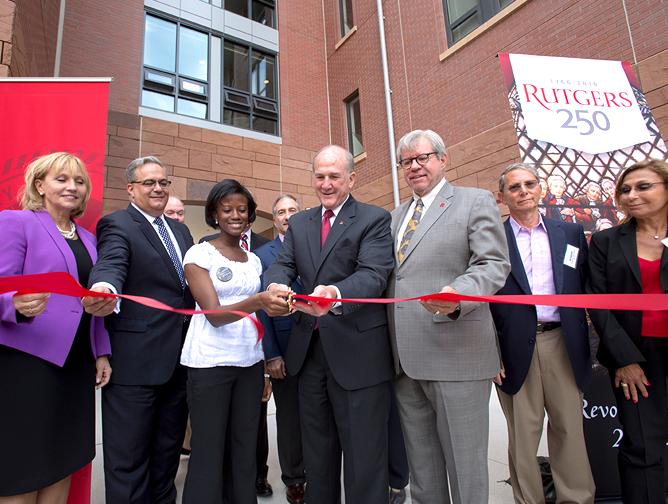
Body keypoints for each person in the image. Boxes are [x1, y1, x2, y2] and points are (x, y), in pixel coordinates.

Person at [265, 145, 395, 504]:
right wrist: (275, 283)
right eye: (319, 176)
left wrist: (334, 294)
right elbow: (283, 264)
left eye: (334, 176)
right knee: (317, 456)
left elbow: (374, 275)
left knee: (363, 458)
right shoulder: (302, 221)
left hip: (358, 354)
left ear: (351, 178)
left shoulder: (373, 218)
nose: (326, 184)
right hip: (308, 355)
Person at [387, 130, 510, 504]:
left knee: (466, 469)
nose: (415, 167)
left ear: (443, 159)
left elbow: (493, 264)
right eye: (407, 162)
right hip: (405, 363)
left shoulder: (475, 201)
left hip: (456, 353)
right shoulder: (395, 217)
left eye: (423, 158)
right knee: (423, 472)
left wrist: (459, 294)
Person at [0, 152, 114, 503]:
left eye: (79, 181)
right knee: (24, 465)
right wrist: (13, 304)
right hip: (28, 361)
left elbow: (90, 303)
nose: (72, 187)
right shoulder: (16, 222)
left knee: (64, 458)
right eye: (61, 179)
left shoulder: (90, 239)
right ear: (40, 185)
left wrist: (102, 352)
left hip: (77, 363)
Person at [83, 156, 195, 504]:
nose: (158, 188)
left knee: (166, 456)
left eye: (163, 182)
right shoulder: (118, 224)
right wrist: (104, 288)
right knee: (128, 460)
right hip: (135, 364)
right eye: (149, 183)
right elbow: (112, 263)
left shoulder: (179, 229)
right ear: (131, 188)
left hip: (180, 361)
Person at [491, 163, 595, 504]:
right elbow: (483, 301)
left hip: (563, 342)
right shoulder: (492, 239)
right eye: (514, 187)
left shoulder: (570, 233)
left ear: (541, 188)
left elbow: (587, 288)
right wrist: (490, 352)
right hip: (513, 349)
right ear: (502, 196)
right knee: (523, 435)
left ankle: (576, 498)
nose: (523, 191)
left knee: (569, 428)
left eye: (529, 184)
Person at [180, 179, 286, 504]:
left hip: (249, 363)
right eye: (227, 209)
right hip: (210, 363)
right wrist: (258, 301)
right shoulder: (199, 253)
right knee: (209, 450)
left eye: (242, 209)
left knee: (245, 449)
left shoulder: (253, 259)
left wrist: (265, 368)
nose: (235, 215)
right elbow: (213, 314)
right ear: (214, 212)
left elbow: (263, 315)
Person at [587, 158, 668, 503]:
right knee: (642, 446)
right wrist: (623, 359)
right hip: (637, 357)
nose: (632, 195)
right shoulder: (606, 241)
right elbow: (597, 301)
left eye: (643, 186)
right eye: (625, 190)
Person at [256, 194, 306, 504]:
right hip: (284, 349)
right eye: (281, 212)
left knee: (319, 414)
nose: (287, 216)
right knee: (289, 419)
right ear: (274, 220)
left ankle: (322, 469)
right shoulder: (262, 255)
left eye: (292, 210)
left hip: (320, 345)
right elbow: (262, 307)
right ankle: (295, 478)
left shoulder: (318, 243)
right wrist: (270, 354)